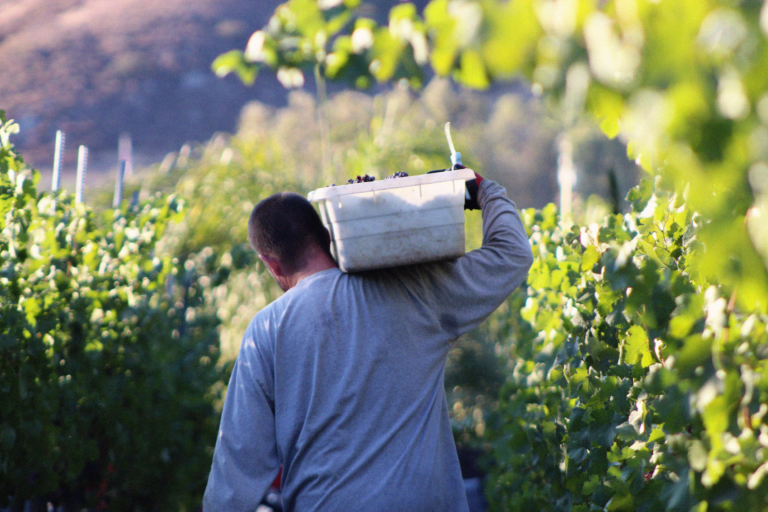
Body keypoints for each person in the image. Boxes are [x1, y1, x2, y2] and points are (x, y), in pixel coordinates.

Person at [203, 171, 533, 511]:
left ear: (271, 264)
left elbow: (237, 470)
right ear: (328, 236)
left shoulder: (267, 329)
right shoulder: (411, 289)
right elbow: (512, 254)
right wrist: (484, 191)